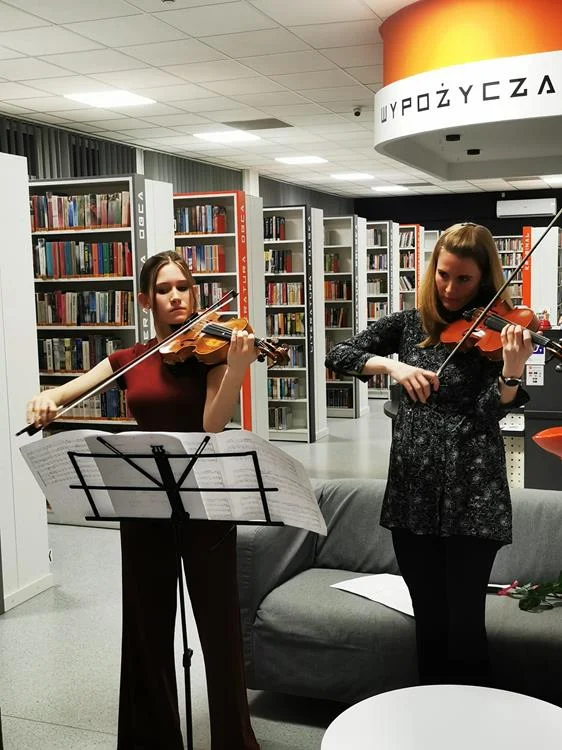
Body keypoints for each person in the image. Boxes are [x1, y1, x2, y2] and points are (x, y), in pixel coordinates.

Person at [26, 250, 261, 750]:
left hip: (206, 501)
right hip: (145, 500)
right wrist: (47, 399)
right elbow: (69, 391)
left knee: (220, 630)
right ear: (144, 300)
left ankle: (234, 742)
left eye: (183, 287)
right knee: (146, 629)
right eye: (163, 289)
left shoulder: (213, 354)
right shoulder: (128, 359)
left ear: (195, 293)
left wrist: (238, 368)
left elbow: (212, 424)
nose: (176, 297)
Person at [325, 223, 534, 688]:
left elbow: (488, 413)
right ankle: (428, 715)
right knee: (429, 622)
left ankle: (472, 716)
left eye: (464, 279)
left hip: (472, 495)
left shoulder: (496, 331)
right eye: (443, 275)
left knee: (465, 626)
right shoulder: (406, 323)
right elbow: (339, 354)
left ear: (484, 278)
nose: (451, 288)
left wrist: (511, 372)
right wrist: (393, 366)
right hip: (412, 494)